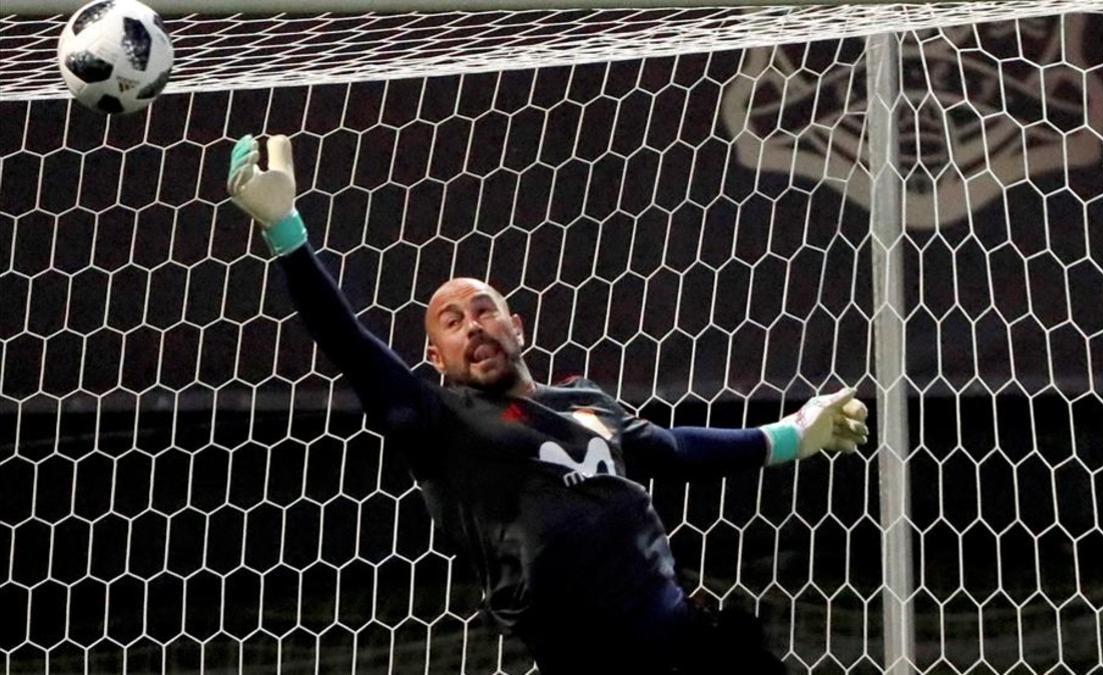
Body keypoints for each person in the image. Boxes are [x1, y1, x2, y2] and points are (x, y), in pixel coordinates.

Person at [227, 134, 869, 674]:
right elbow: (350, 343)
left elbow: (673, 449)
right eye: (451, 322)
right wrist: (286, 231)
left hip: (688, 644)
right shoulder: (435, 421)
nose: (473, 325)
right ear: (435, 359)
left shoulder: (587, 402)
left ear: (519, 328)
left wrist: (792, 433)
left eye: (484, 310)